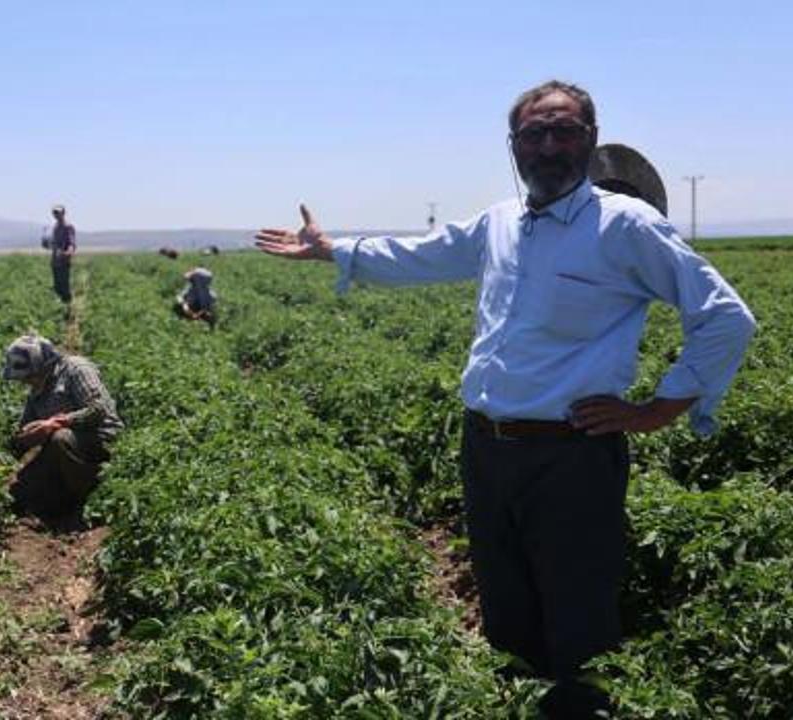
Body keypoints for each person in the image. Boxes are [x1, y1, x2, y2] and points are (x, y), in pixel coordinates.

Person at [255, 79, 756, 718]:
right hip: (487, 449)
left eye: (564, 131)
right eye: (534, 133)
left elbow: (724, 316)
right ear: (514, 145)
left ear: (590, 140)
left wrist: (659, 409)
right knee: (505, 609)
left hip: (572, 455)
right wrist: (334, 250)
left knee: (578, 620)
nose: (548, 146)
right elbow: (422, 255)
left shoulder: (625, 225)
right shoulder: (500, 222)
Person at [2, 334, 123, 528]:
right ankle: (59, 504)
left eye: (29, 377)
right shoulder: (37, 390)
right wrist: (21, 442)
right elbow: (22, 433)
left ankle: (90, 502)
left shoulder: (77, 369)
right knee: (19, 492)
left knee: (60, 437)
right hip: (62, 450)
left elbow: (99, 409)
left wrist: (56, 423)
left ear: (43, 366)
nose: (26, 382)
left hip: (101, 442)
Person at [48, 205, 76, 302]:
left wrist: (68, 252)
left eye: (58, 213)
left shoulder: (68, 226)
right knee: (57, 286)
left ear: (63, 213)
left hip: (64, 260)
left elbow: (71, 243)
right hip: (55, 260)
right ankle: (60, 307)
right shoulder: (55, 227)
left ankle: (68, 306)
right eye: (54, 213)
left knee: (64, 286)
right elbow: (53, 243)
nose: (56, 215)